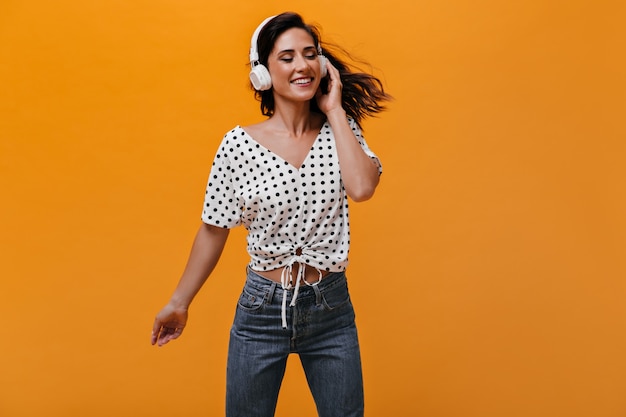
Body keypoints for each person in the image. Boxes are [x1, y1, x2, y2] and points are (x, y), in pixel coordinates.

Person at [151, 12, 390, 417]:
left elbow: (363, 188)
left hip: (330, 307)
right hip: (261, 309)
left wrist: (333, 109)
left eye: (310, 54)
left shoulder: (341, 129)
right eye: (287, 56)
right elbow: (213, 230)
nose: (302, 65)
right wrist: (179, 301)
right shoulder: (239, 145)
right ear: (263, 73)